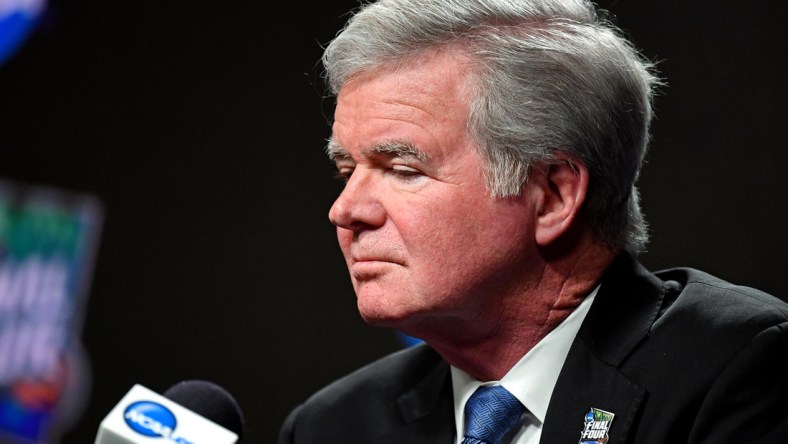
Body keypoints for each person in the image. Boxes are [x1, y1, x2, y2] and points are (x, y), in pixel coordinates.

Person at [279, 0, 788, 443]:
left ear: (552, 196)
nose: (345, 210)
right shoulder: (333, 426)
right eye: (347, 170)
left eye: (403, 169)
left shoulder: (734, 371)